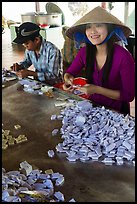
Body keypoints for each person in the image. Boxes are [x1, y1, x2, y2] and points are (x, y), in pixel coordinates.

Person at [63, 6, 135, 115]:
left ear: (109, 29)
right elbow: (69, 73)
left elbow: (128, 96)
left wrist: (97, 90)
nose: (92, 31)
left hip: (117, 113)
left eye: (98, 25)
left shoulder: (124, 57)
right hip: (93, 108)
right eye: (88, 27)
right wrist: (68, 80)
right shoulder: (84, 52)